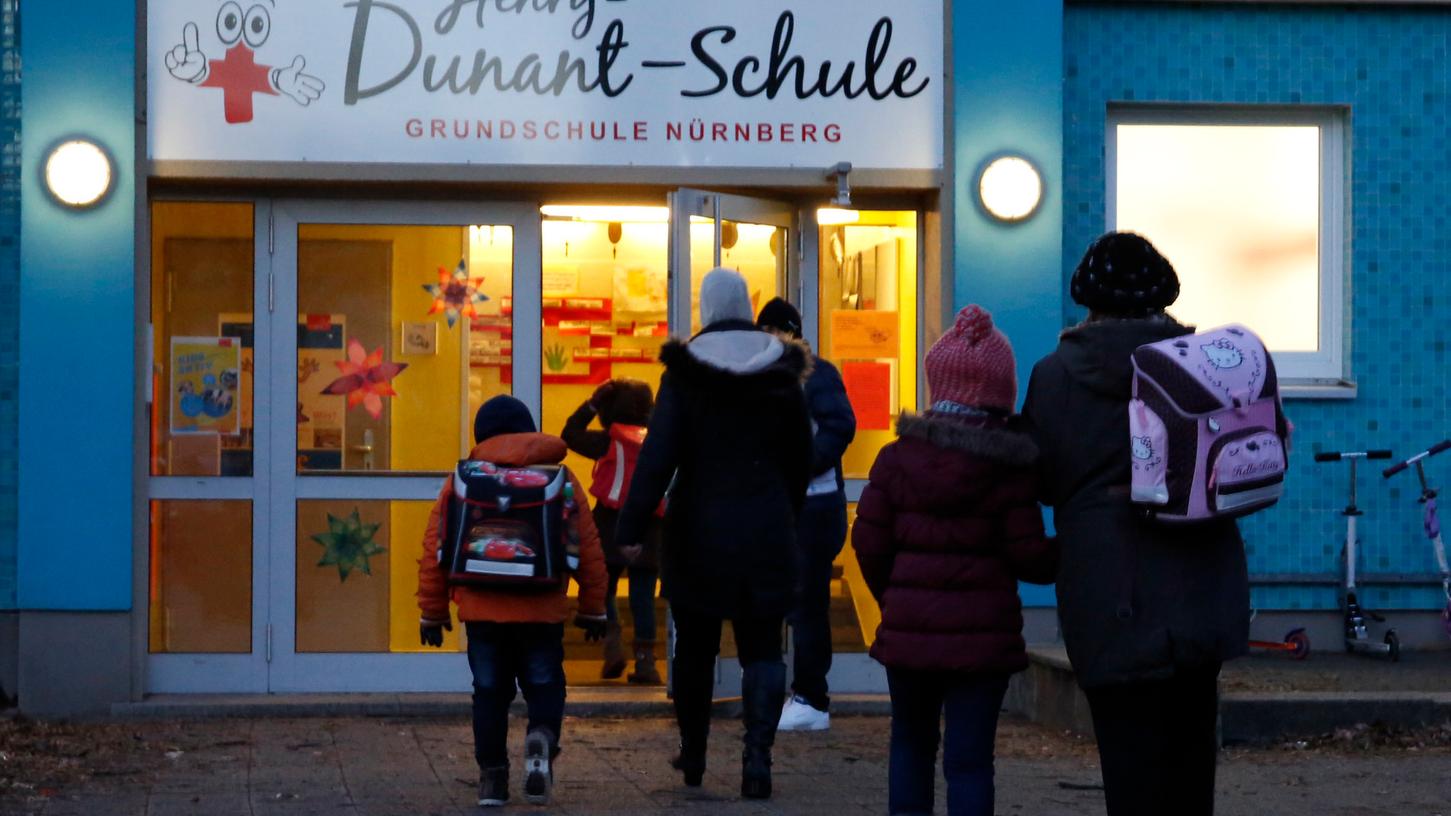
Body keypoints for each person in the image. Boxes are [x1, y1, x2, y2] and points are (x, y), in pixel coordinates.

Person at [1022, 232, 1251, 816]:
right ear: (1163, 296)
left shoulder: (1056, 375)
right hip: (1201, 582)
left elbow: (1041, 481)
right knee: (1191, 765)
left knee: (1129, 769)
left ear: (1088, 299)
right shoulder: (1210, 370)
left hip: (1108, 592)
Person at [615, 268, 814, 800]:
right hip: (767, 529)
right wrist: (785, 515)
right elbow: (801, 457)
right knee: (763, 648)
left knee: (696, 647)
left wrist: (630, 526)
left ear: (704, 307)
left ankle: (696, 753)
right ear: (747, 306)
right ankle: (757, 756)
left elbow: (658, 458)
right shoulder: (782, 368)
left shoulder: (686, 371)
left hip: (698, 531)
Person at [853, 305, 1057, 816]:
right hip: (982, 642)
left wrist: (896, 600)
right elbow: (1032, 559)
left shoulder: (896, 458)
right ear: (1001, 391)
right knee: (969, 763)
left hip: (909, 636)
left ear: (935, 383)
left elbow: (868, 544)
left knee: (910, 748)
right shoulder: (1009, 467)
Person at [416, 395, 609, 809]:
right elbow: (588, 546)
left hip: (482, 611)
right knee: (544, 682)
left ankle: (493, 778)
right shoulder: (559, 477)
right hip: (541, 607)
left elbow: (436, 547)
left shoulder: (463, 479)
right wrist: (594, 607)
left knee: (488, 691)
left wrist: (432, 613)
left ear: (481, 436)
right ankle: (541, 736)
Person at [755, 297, 857, 732]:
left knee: (808, 604)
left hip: (814, 509)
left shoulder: (817, 374)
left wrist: (803, 464)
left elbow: (841, 426)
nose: (769, 341)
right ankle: (776, 690)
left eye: (774, 332)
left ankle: (812, 697)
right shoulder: (760, 378)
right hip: (777, 509)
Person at [561, 378, 664, 684]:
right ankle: (646, 664)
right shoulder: (658, 440)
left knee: (603, 589)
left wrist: (591, 404)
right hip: (651, 525)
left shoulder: (608, 441)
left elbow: (569, 435)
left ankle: (612, 647)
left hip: (610, 523)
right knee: (643, 597)